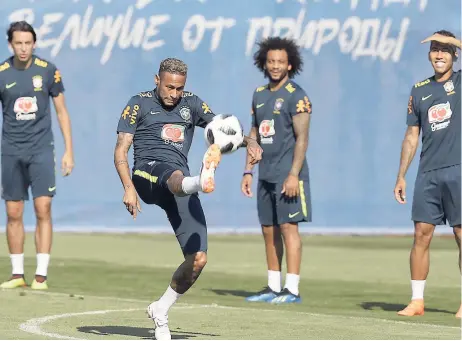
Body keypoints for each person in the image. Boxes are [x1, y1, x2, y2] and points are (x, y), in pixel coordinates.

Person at [114, 57, 262, 340]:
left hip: (180, 185)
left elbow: (223, 130)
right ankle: (200, 180)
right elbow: (121, 150)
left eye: (179, 88)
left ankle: (161, 309)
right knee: (174, 176)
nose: (174, 94)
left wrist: (250, 141)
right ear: (157, 81)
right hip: (148, 174)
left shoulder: (191, 103)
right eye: (169, 87)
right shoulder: (138, 103)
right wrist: (127, 187)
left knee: (198, 259)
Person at [0, 21, 74, 290]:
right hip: (10, 151)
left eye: (27, 43)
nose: (23, 48)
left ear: (34, 43)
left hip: (41, 150)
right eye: (18, 43)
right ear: (11, 44)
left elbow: (62, 112)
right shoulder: (2, 73)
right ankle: (17, 274)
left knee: (43, 208)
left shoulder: (47, 71)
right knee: (13, 211)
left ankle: (40, 275)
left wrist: (69, 151)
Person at [394, 31, 461, 318]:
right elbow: (411, 135)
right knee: (421, 234)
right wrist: (401, 175)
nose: (439, 55)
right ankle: (417, 301)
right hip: (428, 172)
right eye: (435, 49)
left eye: (446, 50)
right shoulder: (419, 89)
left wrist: (457, 42)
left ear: (455, 55)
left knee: (461, 234)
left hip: (458, 170)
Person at [241, 37, 312, 304]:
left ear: (290, 65)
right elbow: (253, 134)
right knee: (268, 230)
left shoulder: (297, 96)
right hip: (264, 175)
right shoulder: (259, 95)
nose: (275, 66)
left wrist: (293, 174)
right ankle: (273, 286)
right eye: (271, 61)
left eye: (280, 62)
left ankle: (291, 289)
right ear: (264, 63)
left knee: (288, 228)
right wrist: (248, 171)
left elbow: (302, 138)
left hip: (288, 174)